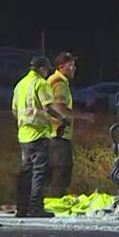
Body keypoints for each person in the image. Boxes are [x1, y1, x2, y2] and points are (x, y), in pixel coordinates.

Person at [12, 56, 69, 218]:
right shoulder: (41, 84)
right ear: (42, 69)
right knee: (39, 173)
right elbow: (48, 107)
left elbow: (15, 110)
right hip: (39, 134)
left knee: (25, 173)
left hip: (24, 135)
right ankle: (36, 207)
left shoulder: (20, 85)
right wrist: (62, 118)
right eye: (46, 70)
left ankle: (21, 208)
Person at [46, 52, 94, 197]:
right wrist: (84, 116)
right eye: (71, 65)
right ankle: (57, 203)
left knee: (52, 172)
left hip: (51, 134)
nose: (74, 68)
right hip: (59, 134)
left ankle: (49, 202)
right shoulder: (59, 83)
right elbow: (61, 109)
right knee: (61, 171)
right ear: (61, 67)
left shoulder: (52, 80)